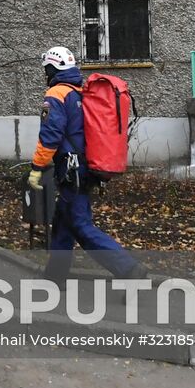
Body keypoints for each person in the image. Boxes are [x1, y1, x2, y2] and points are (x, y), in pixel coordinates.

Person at [27, 45, 144, 282]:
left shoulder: (57, 94)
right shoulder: (81, 91)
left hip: (72, 170)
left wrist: (37, 168)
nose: (45, 74)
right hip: (86, 166)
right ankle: (55, 276)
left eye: (46, 69)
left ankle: (129, 269)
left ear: (52, 68)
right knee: (63, 220)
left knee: (80, 224)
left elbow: (51, 136)